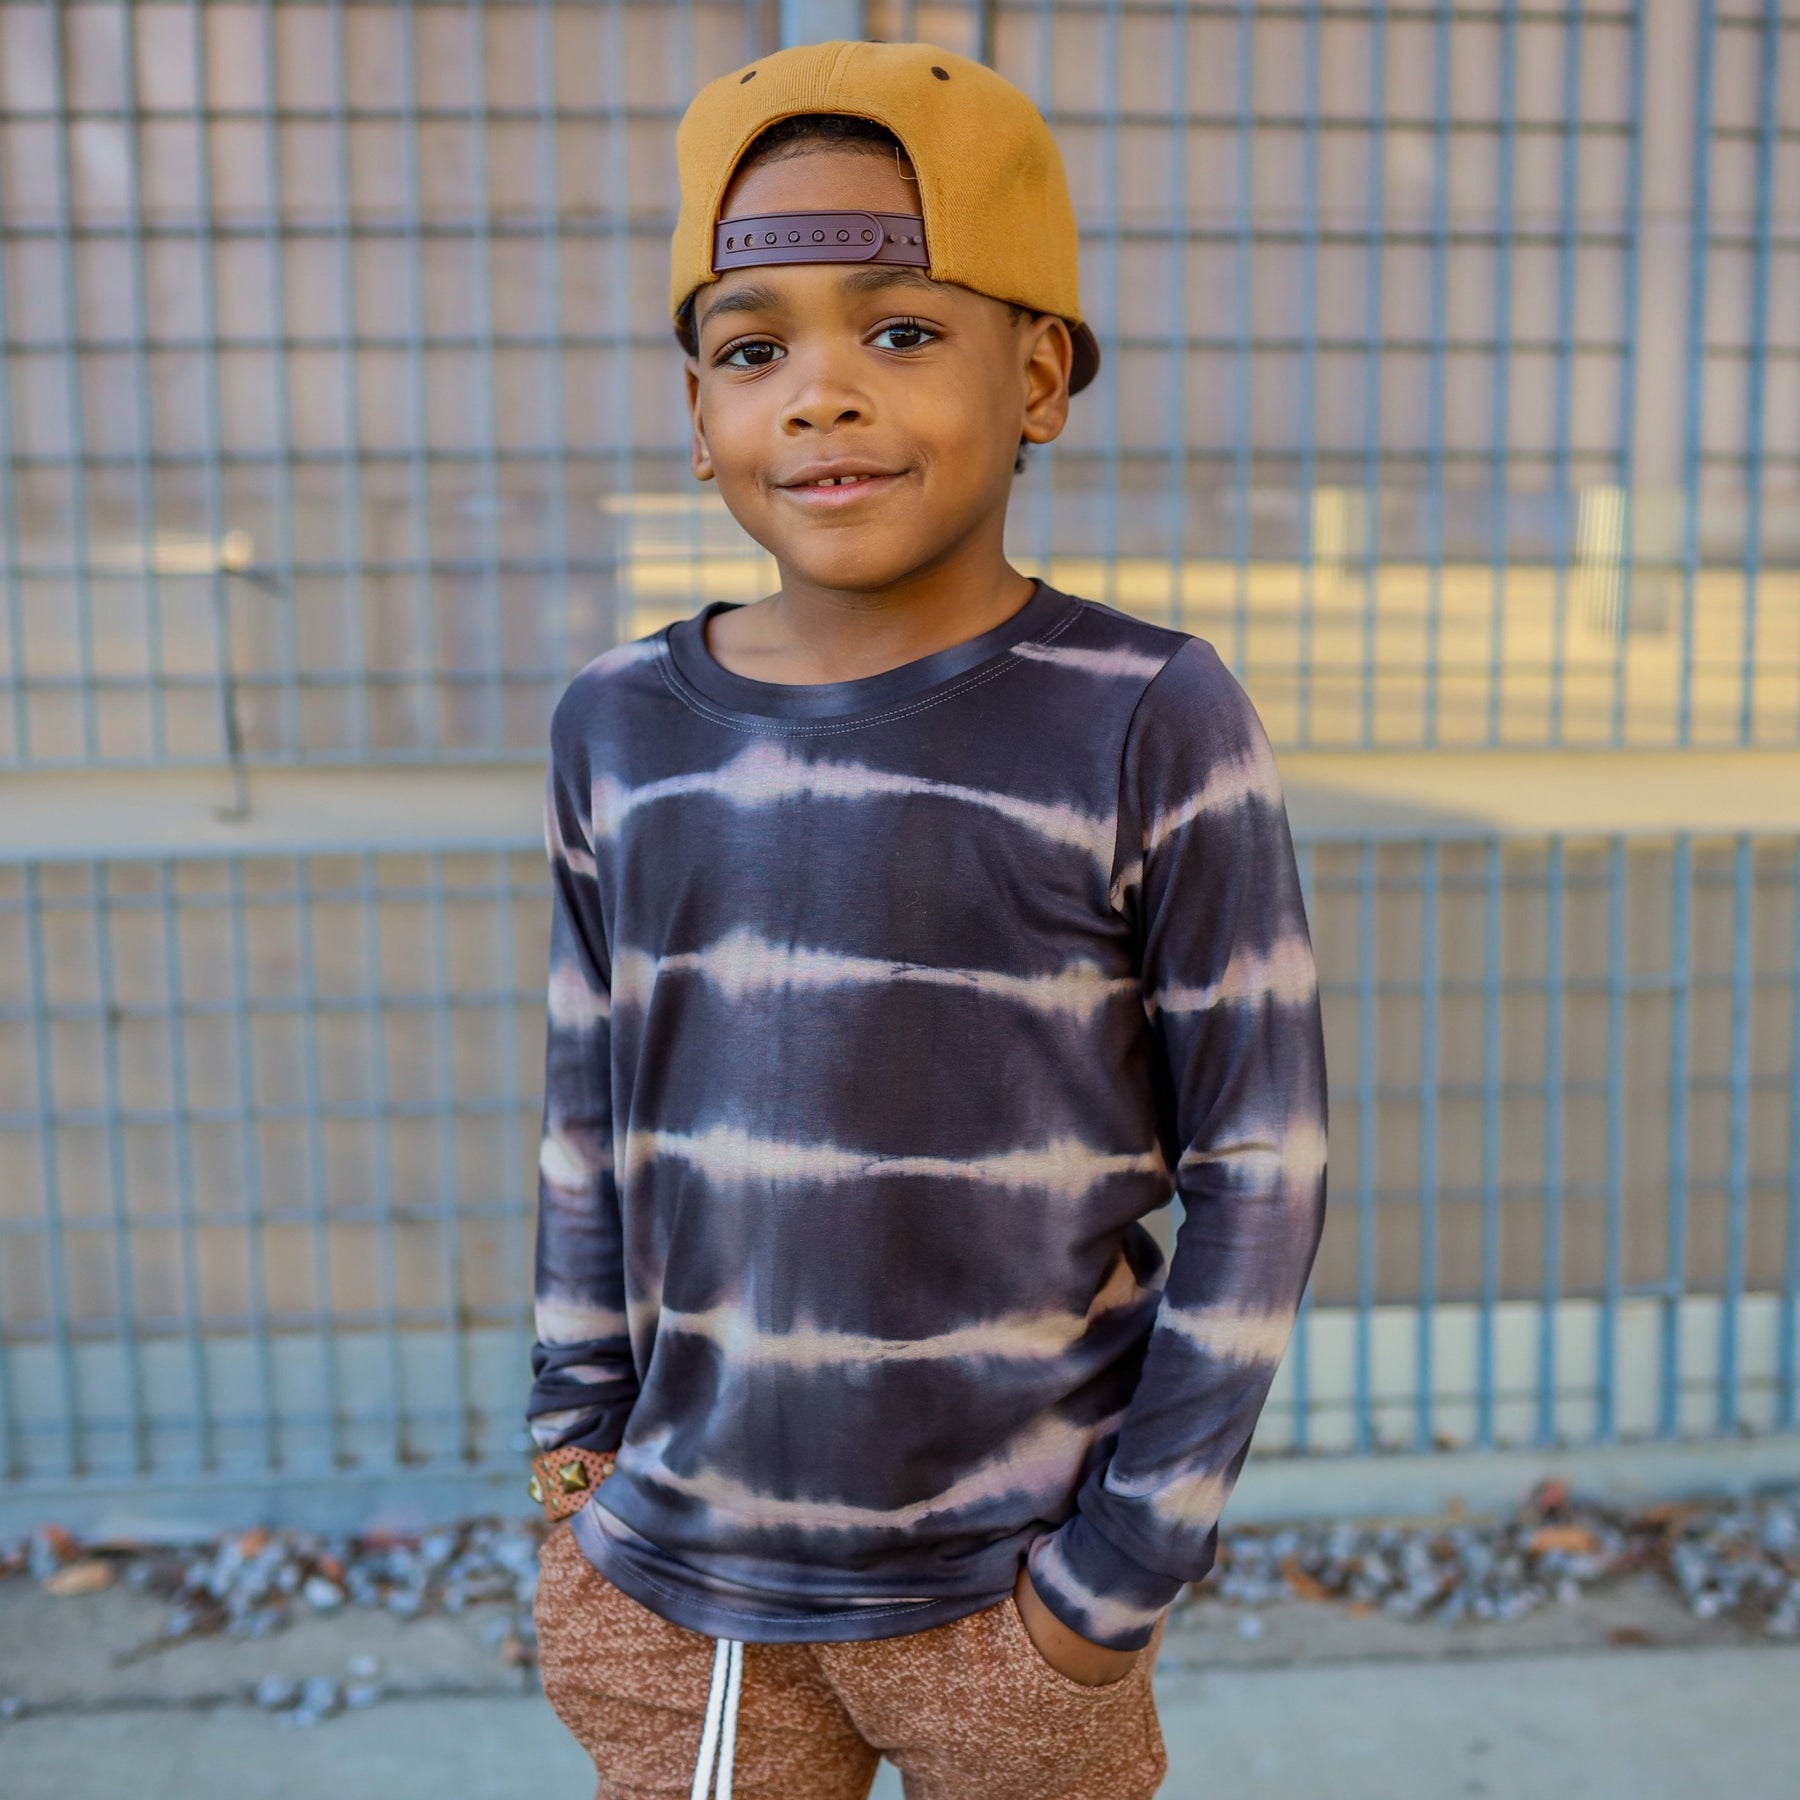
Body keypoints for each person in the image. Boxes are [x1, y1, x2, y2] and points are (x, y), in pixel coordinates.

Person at [522, 37, 1327, 1800]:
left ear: (1036, 375)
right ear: (698, 419)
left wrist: (1115, 1578)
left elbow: (1263, 1161)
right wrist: (574, 1471)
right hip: (687, 1596)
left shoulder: (1149, 715)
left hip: (1013, 1601)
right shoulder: (619, 725)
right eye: (755, 350)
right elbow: (589, 1120)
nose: (820, 395)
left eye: (898, 332)